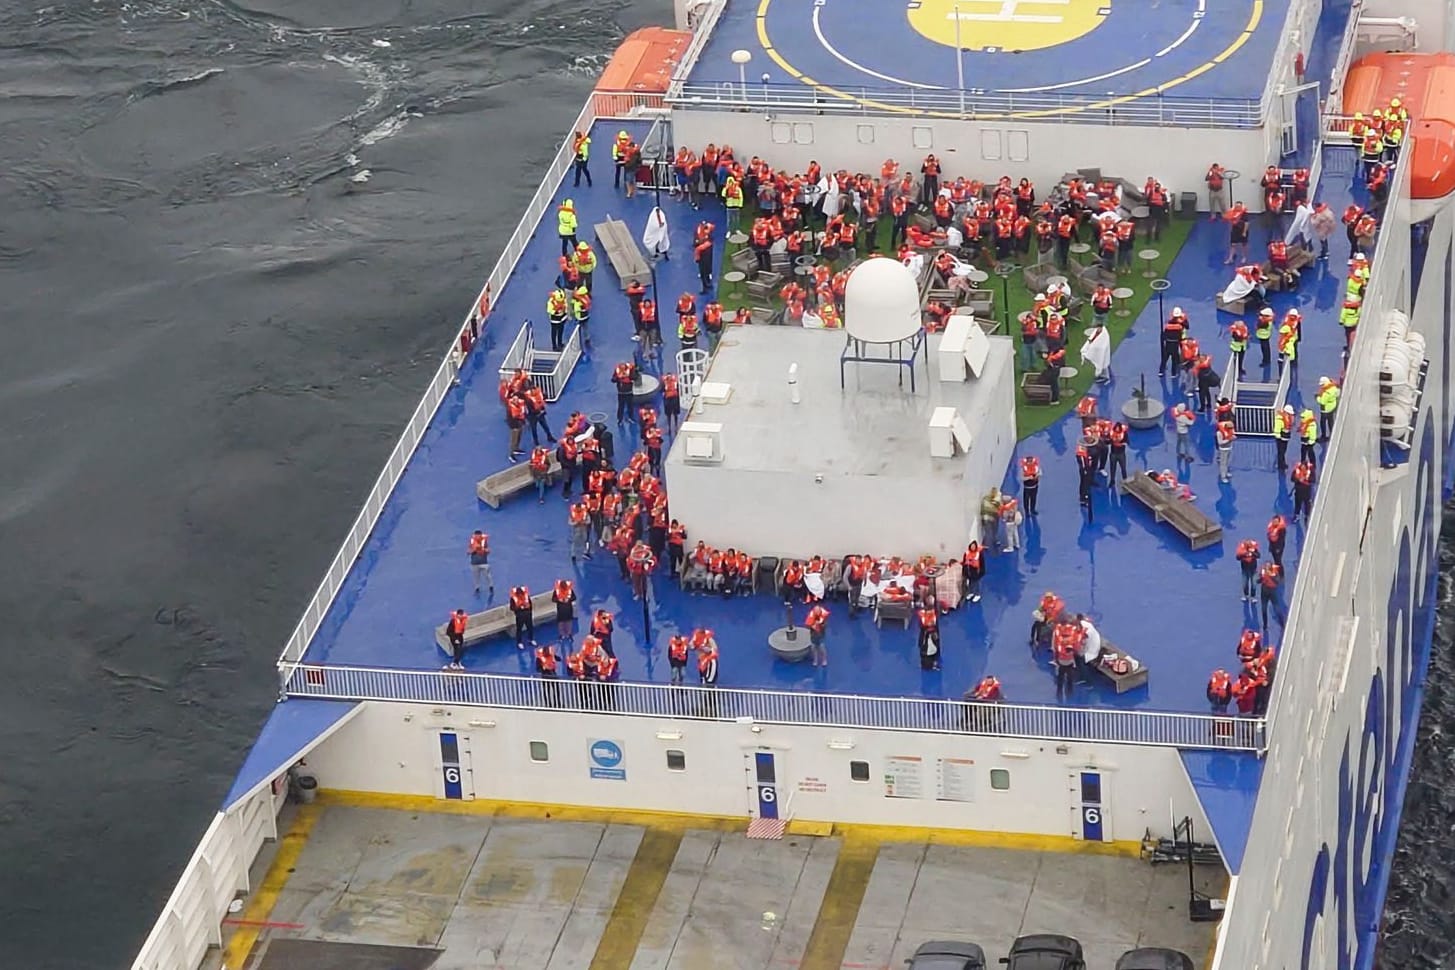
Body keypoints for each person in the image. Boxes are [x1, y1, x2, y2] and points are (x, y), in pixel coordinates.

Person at [1051, 619, 1083, 701]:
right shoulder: (1070, 645)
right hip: (1066, 664)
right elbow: (1076, 650)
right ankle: (1067, 691)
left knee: (1063, 678)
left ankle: (1062, 690)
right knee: (1068, 678)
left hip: (1063, 664)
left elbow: (1056, 653)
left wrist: (1056, 660)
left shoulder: (1060, 646)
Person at [1259, 562, 1285, 630]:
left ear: (1270, 567)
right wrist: (1261, 577)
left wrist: (1271, 575)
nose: (1266, 568)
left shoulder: (1275, 573)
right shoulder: (1263, 571)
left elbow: (1277, 582)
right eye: (1266, 566)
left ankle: (1282, 622)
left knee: (1276, 608)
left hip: (1272, 591)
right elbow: (1258, 581)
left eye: (1268, 566)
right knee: (1263, 609)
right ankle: (1265, 625)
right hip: (1264, 591)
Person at [552, 578, 577, 645]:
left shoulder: (570, 590)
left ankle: (569, 635)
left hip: (568, 610)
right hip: (560, 610)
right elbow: (553, 599)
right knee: (561, 624)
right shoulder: (557, 591)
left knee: (569, 623)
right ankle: (562, 635)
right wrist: (559, 600)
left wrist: (568, 600)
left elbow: (574, 598)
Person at [1236, 538, 1261, 603]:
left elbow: (1258, 556)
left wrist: (1253, 553)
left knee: (1254, 583)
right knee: (1245, 583)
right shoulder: (1242, 550)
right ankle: (1246, 595)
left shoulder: (1254, 549)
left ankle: (1253, 596)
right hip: (1245, 569)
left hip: (1253, 569)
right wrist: (1245, 554)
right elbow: (1237, 557)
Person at [916, 603, 940, 670]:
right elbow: (924, 625)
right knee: (926, 651)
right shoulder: (923, 617)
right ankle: (926, 665)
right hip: (926, 637)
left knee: (933, 649)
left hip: (931, 636)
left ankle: (931, 662)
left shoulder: (933, 615)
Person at [806, 603, 830, 667]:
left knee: (822, 647)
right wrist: (812, 625)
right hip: (813, 634)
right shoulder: (811, 615)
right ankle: (815, 660)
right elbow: (807, 625)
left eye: (818, 611)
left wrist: (820, 624)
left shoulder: (823, 616)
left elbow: (825, 625)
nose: (817, 613)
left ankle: (824, 660)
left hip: (821, 634)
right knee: (813, 648)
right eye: (816, 611)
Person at [1317, 376, 1341, 441]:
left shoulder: (1326, 393)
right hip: (1332, 407)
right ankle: (1332, 434)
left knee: (1323, 422)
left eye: (1322, 385)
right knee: (1331, 421)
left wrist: (1317, 397)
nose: (1321, 386)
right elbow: (1337, 394)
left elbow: (1322, 401)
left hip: (1326, 409)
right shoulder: (1333, 387)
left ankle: (1323, 436)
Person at [1215, 419, 1235, 483]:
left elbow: (1231, 436)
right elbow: (1220, 442)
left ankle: (1226, 472)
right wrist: (1229, 440)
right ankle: (1223, 477)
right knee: (1223, 463)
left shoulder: (1230, 430)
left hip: (1229, 448)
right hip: (1223, 449)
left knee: (1227, 462)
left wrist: (1233, 438)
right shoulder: (1219, 433)